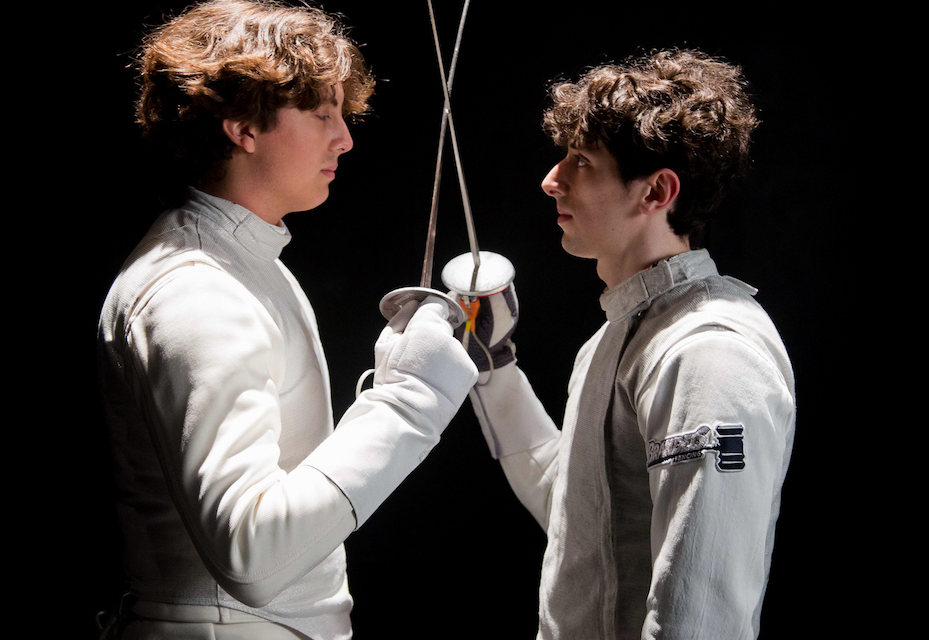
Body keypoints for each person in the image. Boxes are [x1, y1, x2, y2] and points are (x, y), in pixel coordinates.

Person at [96, 1, 478, 638]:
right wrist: (409, 401)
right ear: (243, 125)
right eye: (321, 112)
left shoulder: (240, 262)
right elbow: (253, 554)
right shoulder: (196, 290)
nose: (345, 138)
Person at [454, 49, 795, 639]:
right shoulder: (619, 338)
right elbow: (578, 511)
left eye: (581, 161)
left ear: (656, 192)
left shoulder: (708, 352)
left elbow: (701, 612)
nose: (551, 179)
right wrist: (493, 365)